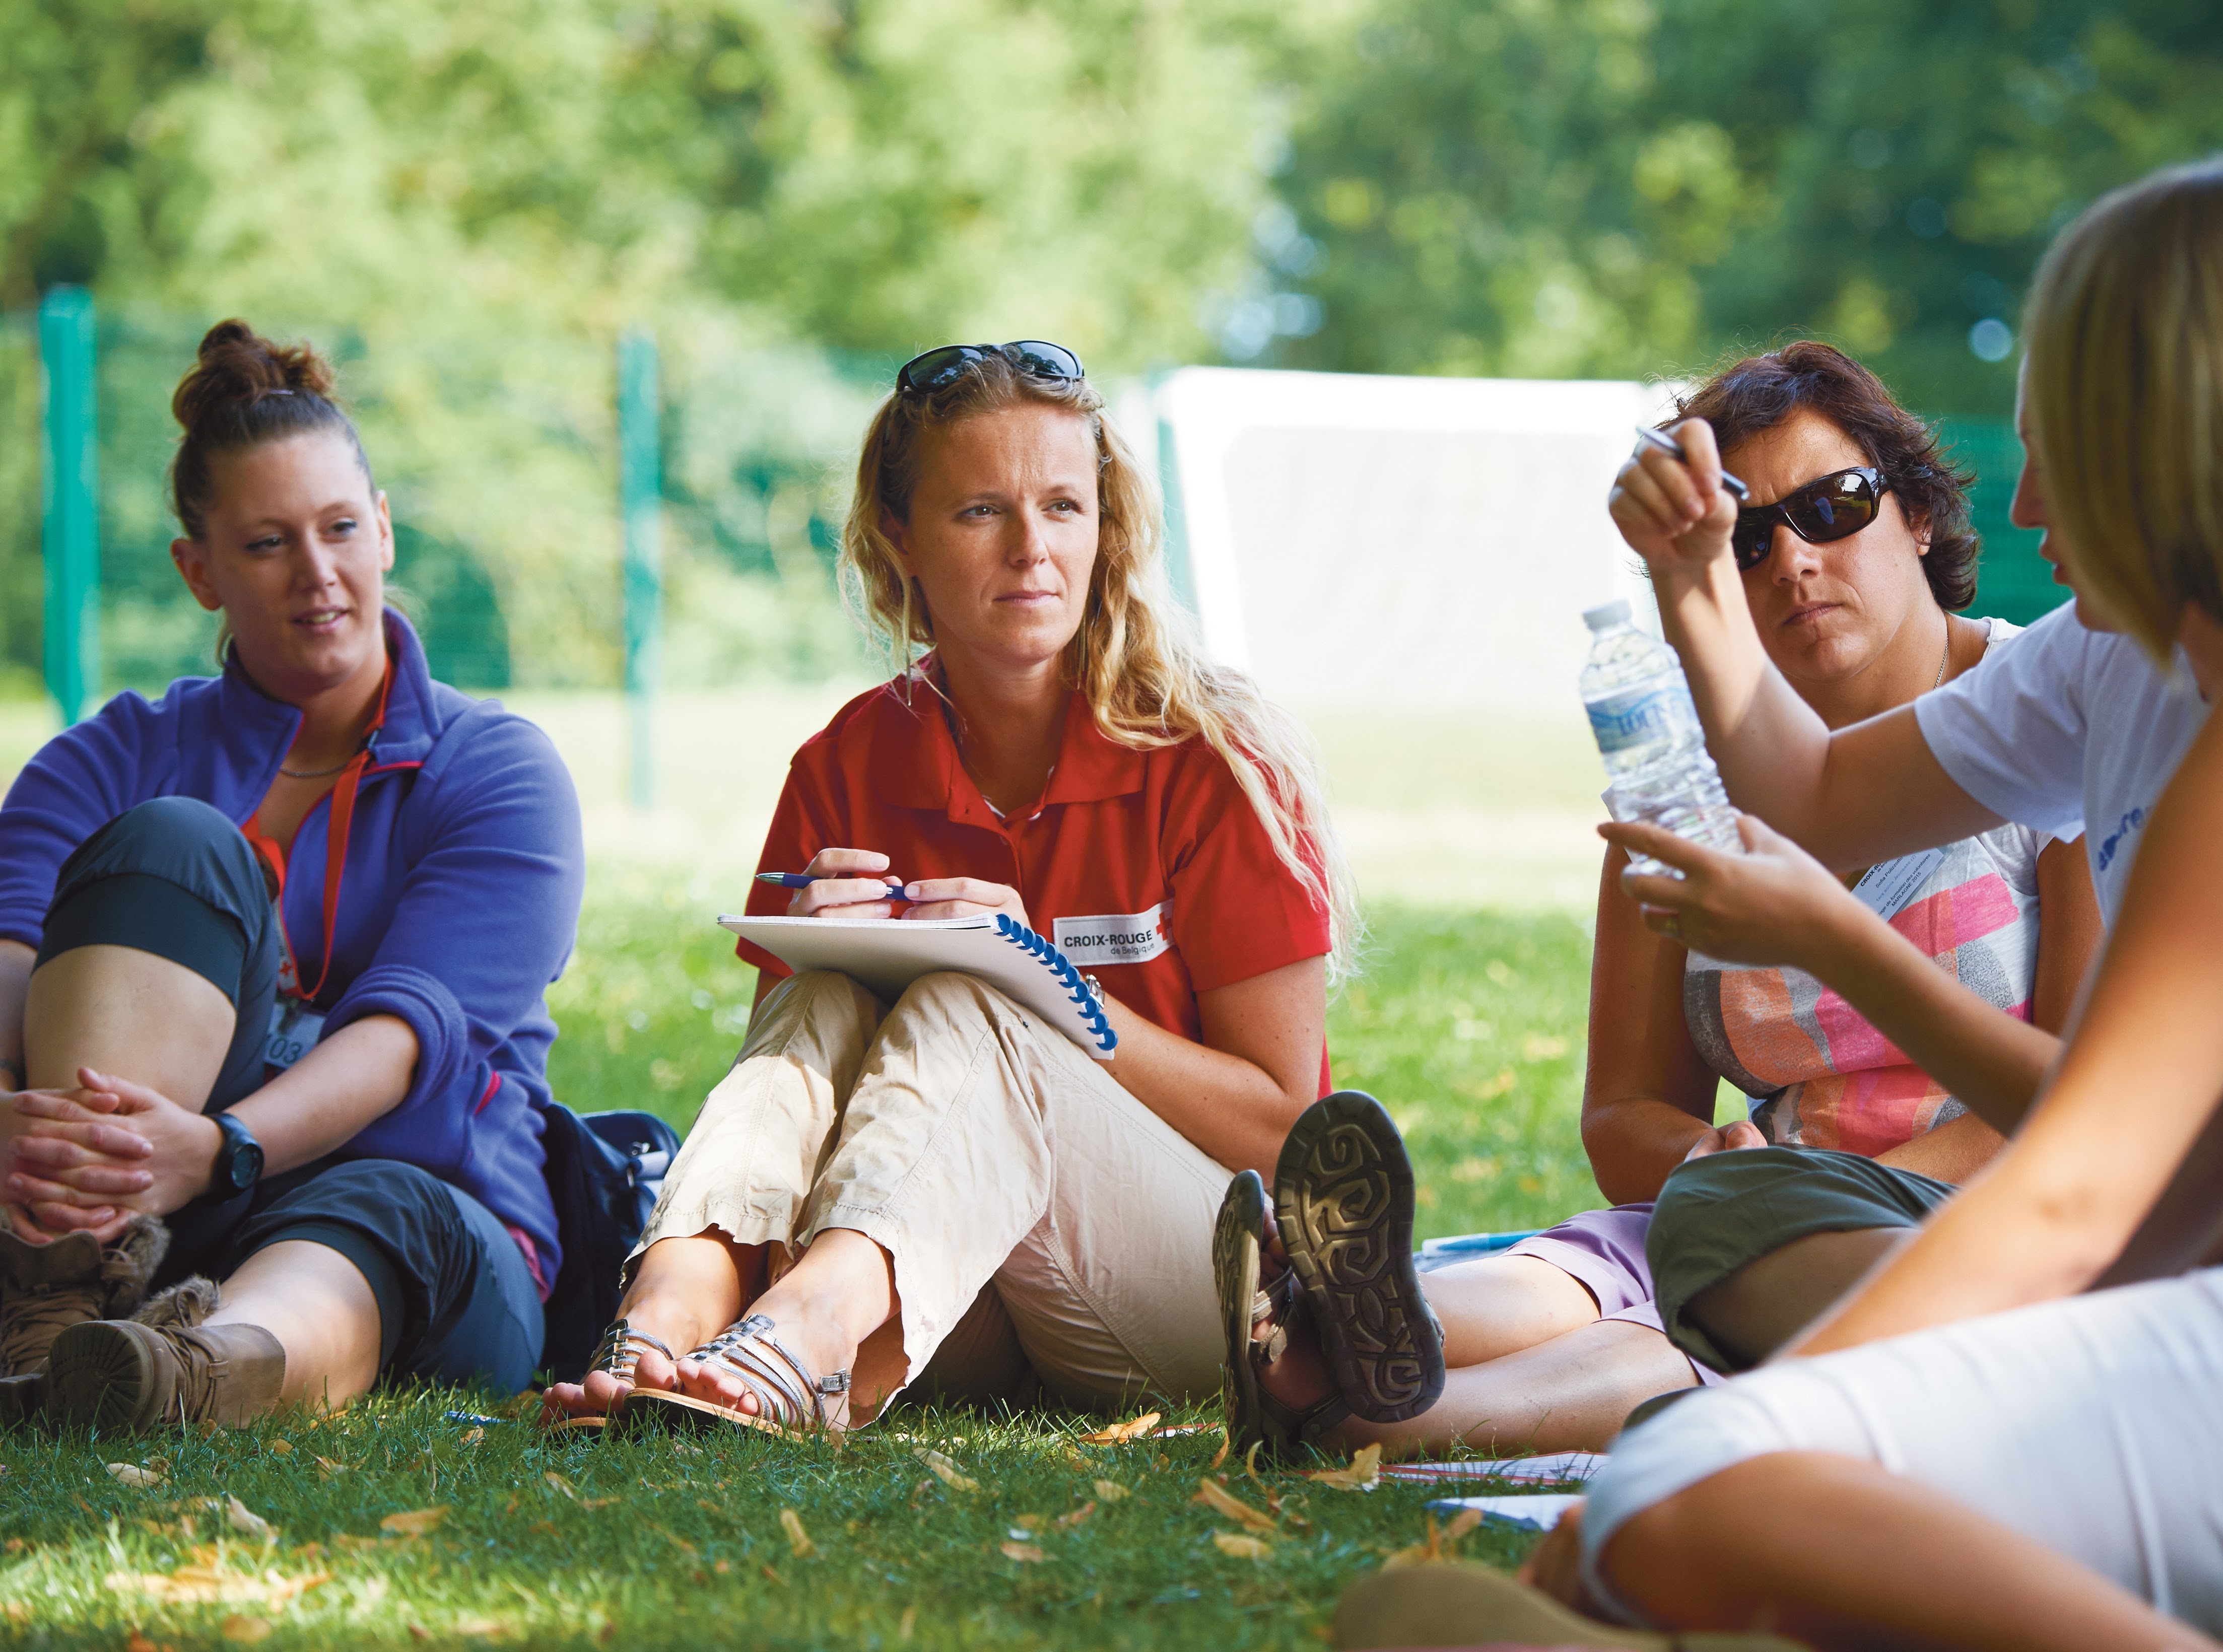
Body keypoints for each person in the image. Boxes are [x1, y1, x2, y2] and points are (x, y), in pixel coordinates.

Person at [1531, 152, 2223, 1651]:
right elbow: (2182, 1185)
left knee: (1688, 1497)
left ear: (2181, 437)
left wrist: (1787, 1425)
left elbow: (2080, 1189)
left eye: (2065, 446)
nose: (2029, 502)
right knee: (1775, 1534)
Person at [1219, 344, 2101, 1458]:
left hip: (1957, 1209)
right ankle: (1325, 1321)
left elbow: (2088, 1096)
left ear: (1917, 513)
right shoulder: (1675, 783)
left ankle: (1367, 1406)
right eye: (1744, 536)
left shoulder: (2043, 715)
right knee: (1585, 1268)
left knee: (1705, 1285)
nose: (1793, 561)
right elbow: (1625, 1108)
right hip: (1735, 1195)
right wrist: (1704, 1165)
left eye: (1833, 506)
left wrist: (1802, 1186)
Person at [545, 340, 1344, 1433]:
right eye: (980, 511)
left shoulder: (1213, 756)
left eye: (1063, 506)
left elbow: (1287, 1131)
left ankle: (794, 1340)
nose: (1031, 549)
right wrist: (838, 958)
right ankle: (660, 1327)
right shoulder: (845, 762)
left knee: (990, 993)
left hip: (1197, 1282)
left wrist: (1047, 987)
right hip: (950, 1293)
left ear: (1105, 531)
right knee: (814, 997)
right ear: (901, 541)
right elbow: (784, 1104)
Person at [0, 321, 583, 1429]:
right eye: (267, 544)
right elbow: (10, 962)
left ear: (386, 533)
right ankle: (56, 1305)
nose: (318, 574)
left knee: (385, 1205)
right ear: (198, 569)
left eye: (340, 528)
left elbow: (406, 1035)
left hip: (423, 1211)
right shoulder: (107, 756)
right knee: (173, 839)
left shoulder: (499, 770)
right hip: (142, 1202)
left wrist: (220, 1148)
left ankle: (179, 1376)